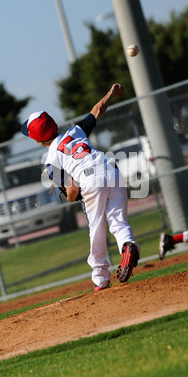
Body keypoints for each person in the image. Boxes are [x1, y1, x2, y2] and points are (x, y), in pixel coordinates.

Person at [21, 83, 140, 291]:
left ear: (38, 141)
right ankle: (128, 246)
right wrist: (111, 93)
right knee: (117, 221)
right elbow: (97, 110)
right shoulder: (75, 132)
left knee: (96, 228)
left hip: (90, 181)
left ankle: (101, 278)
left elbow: (73, 191)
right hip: (111, 169)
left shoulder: (51, 160)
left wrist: (70, 197)